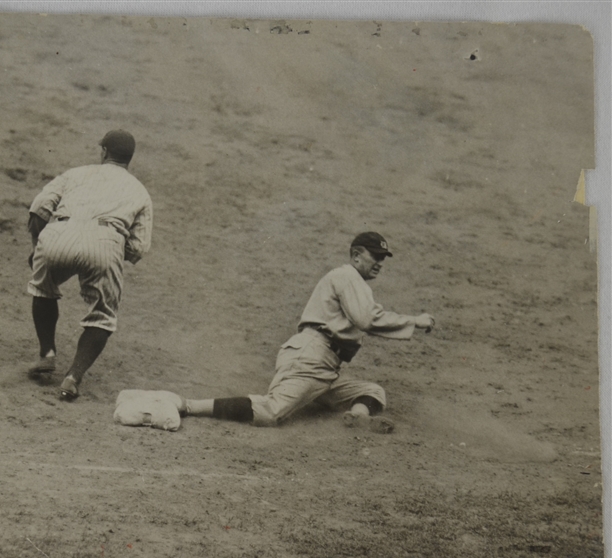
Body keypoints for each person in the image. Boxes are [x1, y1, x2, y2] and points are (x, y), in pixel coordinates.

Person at [184, 232, 435, 430]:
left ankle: (357, 419)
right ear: (356, 255)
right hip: (310, 356)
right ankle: (189, 406)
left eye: (383, 258)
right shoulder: (347, 276)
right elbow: (367, 319)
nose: (380, 263)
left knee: (372, 392)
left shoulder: (351, 280)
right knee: (272, 411)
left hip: (324, 367)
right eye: (376, 256)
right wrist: (415, 321)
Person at [26, 130, 153, 401]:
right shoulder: (139, 190)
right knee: (103, 316)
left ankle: (46, 354)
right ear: (129, 159)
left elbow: (39, 209)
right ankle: (73, 377)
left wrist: (37, 246)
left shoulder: (76, 173)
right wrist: (112, 252)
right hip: (105, 242)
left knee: (42, 289)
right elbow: (139, 248)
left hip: (59, 233)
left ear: (104, 152)